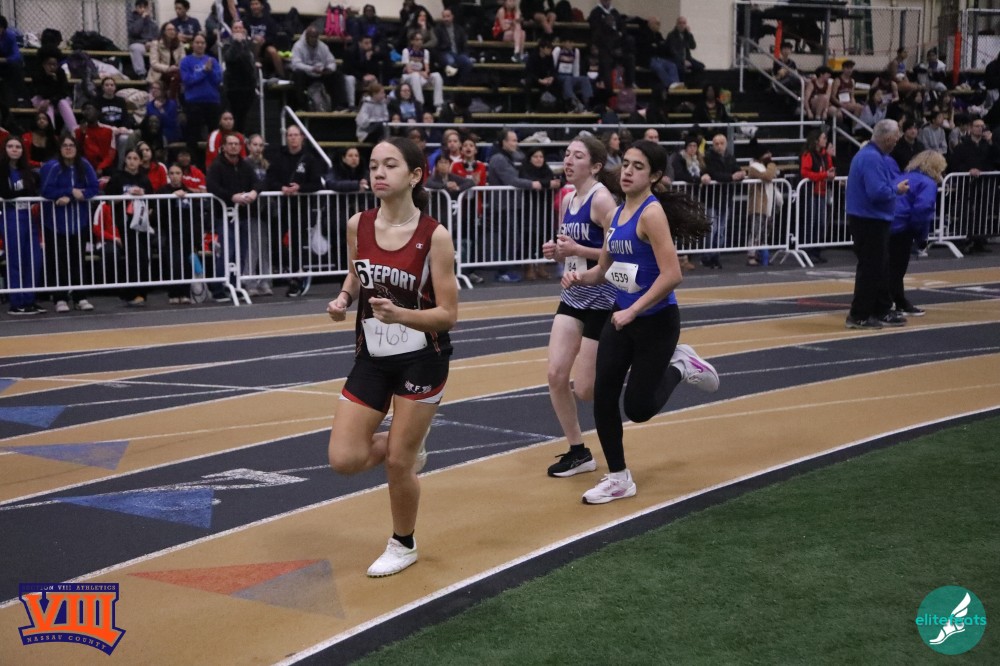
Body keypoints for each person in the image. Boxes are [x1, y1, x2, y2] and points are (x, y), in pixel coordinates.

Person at [325, 135, 458, 577]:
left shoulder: (434, 236)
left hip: (423, 357)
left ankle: (403, 543)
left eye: (390, 165)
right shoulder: (358, 225)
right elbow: (355, 274)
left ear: (416, 175)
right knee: (344, 458)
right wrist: (344, 298)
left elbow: (448, 315)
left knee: (399, 463)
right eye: (373, 165)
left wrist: (401, 314)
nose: (378, 173)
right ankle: (409, 444)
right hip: (373, 354)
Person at [560, 139, 717, 504]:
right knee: (602, 396)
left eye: (638, 167)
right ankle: (618, 478)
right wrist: (579, 277)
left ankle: (681, 365)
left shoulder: (651, 214)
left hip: (656, 321)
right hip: (621, 319)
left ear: (655, 176)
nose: (628, 171)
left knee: (639, 409)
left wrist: (634, 310)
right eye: (626, 163)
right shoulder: (615, 215)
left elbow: (672, 274)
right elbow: (604, 269)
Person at [540, 135, 618, 476]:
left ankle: (649, 359)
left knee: (585, 389)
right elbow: (569, 248)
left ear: (595, 166)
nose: (568, 161)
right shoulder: (568, 199)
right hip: (573, 296)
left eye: (577, 156)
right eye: (567, 154)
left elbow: (619, 251)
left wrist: (578, 251)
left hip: (603, 299)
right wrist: (558, 253)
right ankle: (578, 451)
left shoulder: (602, 200)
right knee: (556, 375)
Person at [845, 119, 908, 330]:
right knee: (871, 268)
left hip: (871, 218)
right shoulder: (872, 158)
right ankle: (859, 315)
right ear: (888, 138)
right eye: (896, 138)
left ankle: (881, 309)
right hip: (869, 219)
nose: (897, 142)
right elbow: (877, 192)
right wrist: (896, 190)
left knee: (880, 267)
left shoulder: (872, 156)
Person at [39, 135, 100, 313]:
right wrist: (68, 191)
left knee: (78, 260)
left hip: (78, 222)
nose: (68, 148)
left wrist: (77, 195)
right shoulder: (53, 166)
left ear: (76, 148)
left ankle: (80, 297)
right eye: (65, 145)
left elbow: (94, 187)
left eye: (71, 145)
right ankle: (60, 298)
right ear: (60, 149)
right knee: (58, 261)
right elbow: (46, 190)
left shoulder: (84, 165)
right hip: (55, 223)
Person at [265, 124, 324, 297]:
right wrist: (282, 188)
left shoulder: (309, 158)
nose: (293, 138)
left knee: (298, 244)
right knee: (274, 240)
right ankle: (292, 270)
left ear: (302, 138)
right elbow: (270, 179)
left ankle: (298, 277)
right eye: (290, 135)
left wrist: (300, 188)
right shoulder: (278, 157)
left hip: (301, 208)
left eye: (295, 135)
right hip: (281, 208)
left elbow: (317, 184)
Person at [890, 150, 945, 317]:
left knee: (890, 267)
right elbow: (923, 210)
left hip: (887, 223)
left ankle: (898, 300)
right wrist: (921, 237)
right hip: (902, 226)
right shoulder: (927, 183)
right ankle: (887, 304)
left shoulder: (903, 176)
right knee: (896, 269)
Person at [206, 132, 260, 300]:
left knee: (241, 252)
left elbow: (258, 182)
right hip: (224, 215)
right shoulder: (216, 166)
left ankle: (235, 284)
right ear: (223, 147)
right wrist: (231, 197)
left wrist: (254, 192)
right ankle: (218, 288)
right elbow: (212, 187)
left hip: (242, 215)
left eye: (237, 144)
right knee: (226, 251)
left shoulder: (245, 165)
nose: (234, 147)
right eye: (230, 144)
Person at [0, 136, 44, 314]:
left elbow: (32, 192)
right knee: (15, 259)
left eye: (18, 147)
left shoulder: (27, 171)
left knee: (33, 259)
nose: (14, 149)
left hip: (28, 217)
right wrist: (23, 193)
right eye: (10, 146)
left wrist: (22, 193)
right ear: (5, 149)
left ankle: (29, 299)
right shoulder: (2, 170)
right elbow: (5, 193)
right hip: (11, 216)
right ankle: (16, 301)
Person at [105, 148, 154, 306]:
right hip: (124, 223)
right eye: (129, 158)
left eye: (135, 158)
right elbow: (109, 200)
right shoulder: (117, 178)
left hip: (142, 224)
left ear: (140, 161)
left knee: (144, 257)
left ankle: (141, 292)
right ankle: (131, 293)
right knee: (133, 257)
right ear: (125, 160)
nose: (132, 161)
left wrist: (143, 198)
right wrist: (126, 195)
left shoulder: (144, 179)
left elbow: (153, 202)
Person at [700, 133, 746, 268]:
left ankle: (716, 255)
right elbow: (713, 174)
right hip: (711, 198)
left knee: (721, 229)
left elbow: (737, 170)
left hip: (726, 198)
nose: (719, 146)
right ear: (713, 145)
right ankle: (707, 255)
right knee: (712, 228)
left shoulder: (730, 157)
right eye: (716, 144)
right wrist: (732, 177)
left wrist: (741, 174)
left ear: (726, 144)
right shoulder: (708, 157)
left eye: (722, 143)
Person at [180, 33, 223, 159]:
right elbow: (187, 80)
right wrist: (204, 72)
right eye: (197, 42)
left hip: (212, 101)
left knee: (214, 134)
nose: (200, 45)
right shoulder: (186, 61)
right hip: (194, 102)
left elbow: (218, 80)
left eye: (202, 43)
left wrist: (209, 71)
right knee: (193, 134)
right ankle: (193, 161)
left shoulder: (212, 61)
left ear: (205, 45)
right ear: (192, 44)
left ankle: (216, 159)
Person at [799, 129, 835, 264]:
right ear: (816, 141)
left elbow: (830, 169)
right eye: (823, 138)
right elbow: (805, 173)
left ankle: (816, 250)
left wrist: (831, 173)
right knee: (811, 221)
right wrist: (824, 175)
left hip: (822, 192)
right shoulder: (808, 155)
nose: (825, 140)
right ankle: (808, 250)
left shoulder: (826, 156)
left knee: (821, 222)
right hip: (811, 192)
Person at [243, 133, 272, 296]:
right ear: (248, 146)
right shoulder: (245, 164)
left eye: (261, 145)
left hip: (265, 211)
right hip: (250, 211)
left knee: (264, 247)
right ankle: (250, 281)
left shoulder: (266, 164)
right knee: (252, 247)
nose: (258, 148)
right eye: (255, 145)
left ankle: (265, 281)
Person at [291, 26, 347, 112]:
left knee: (337, 75)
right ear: (306, 37)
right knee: (298, 74)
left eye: (315, 37)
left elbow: (331, 61)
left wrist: (329, 69)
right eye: (311, 37)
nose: (313, 39)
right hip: (306, 75)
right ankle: (302, 107)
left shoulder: (323, 46)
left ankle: (339, 106)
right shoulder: (298, 46)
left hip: (321, 74)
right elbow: (295, 64)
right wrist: (311, 69)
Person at [745, 140, 779, 266]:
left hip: (768, 203)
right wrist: (772, 164)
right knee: (756, 231)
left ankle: (762, 254)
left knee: (765, 231)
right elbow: (768, 176)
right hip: (757, 204)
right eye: (767, 153)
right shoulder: (754, 167)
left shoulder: (765, 166)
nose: (770, 155)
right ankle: (752, 255)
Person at [222, 22, 259, 134]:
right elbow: (230, 58)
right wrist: (237, 43)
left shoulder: (249, 44)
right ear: (231, 30)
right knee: (234, 116)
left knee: (246, 118)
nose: (238, 30)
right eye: (235, 28)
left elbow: (251, 60)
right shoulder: (227, 43)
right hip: (233, 87)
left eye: (240, 28)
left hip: (248, 86)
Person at [31, 49, 78, 133]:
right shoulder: (37, 73)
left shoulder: (61, 73)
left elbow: (63, 91)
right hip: (41, 99)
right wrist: (49, 79)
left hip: (57, 99)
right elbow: (41, 92)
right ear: (44, 64)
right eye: (49, 64)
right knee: (48, 107)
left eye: (54, 65)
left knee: (63, 103)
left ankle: (75, 132)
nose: (52, 67)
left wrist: (51, 100)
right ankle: (50, 133)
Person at [400, 31, 444, 112]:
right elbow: (409, 70)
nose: (419, 42)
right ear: (412, 41)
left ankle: (438, 105)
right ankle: (419, 104)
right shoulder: (406, 51)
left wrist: (426, 73)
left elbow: (427, 69)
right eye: (417, 40)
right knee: (415, 75)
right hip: (408, 78)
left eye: (421, 40)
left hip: (420, 78)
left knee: (437, 75)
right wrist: (421, 73)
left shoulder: (425, 52)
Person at [75, 101, 116, 179]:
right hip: (85, 166)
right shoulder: (78, 131)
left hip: (104, 167)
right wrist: (82, 134)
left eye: (89, 109)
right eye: (84, 110)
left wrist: (101, 167)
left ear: (97, 112)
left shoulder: (108, 130)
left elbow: (111, 154)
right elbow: (78, 152)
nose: (86, 112)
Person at [433, 7, 473, 84]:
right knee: (450, 62)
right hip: (444, 52)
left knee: (467, 62)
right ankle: (451, 84)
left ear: (452, 17)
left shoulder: (459, 29)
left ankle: (461, 84)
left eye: (448, 16)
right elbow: (436, 46)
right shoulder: (438, 29)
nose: (446, 19)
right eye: (444, 17)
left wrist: (465, 54)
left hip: (458, 53)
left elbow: (464, 44)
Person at [148, 21, 185, 99]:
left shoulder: (180, 44)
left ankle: (174, 99)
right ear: (164, 32)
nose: (172, 31)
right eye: (169, 29)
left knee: (177, 76)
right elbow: (154, 63)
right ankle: (173, 100)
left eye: (174, 29)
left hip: (176, 71)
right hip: (161, 73)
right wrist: (168, 68)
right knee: (176, 77)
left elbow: (183, 60)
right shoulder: (156, 44)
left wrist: (178, 67)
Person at [665, 16, 704, 84]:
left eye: (684, 23)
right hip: (676, 59)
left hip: (687, 58)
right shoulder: (672, 35)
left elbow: (693, 46)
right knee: (680, 68)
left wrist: (689, 34)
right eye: (680, 23)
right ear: (677, 24)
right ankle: (681, 85)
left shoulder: (687, 35)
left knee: (700, 66)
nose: (682, 25)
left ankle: (694, 84)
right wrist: (683, 61)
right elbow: (673, 51)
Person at [127, 0, 159, 78]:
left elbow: (157, 35)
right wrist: (142, 19)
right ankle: (141, 74)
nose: (143, 9)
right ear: (136, 8)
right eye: (140, 7)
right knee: (136, 48)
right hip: (138, 43)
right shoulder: (131, 19)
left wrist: (151, 42)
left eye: (145, 7)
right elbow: (134, 32)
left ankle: (158, 73)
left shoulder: (151, 21)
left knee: (159, 47)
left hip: (150, 44)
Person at [146, 80, 182, 144]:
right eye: (152, 88)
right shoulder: (149, 105)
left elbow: (172, 123)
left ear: (163, 91)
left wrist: (161, 110)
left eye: (157, 88)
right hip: (153, 133)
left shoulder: (172, 104)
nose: (154, 90)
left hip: (168, 131)